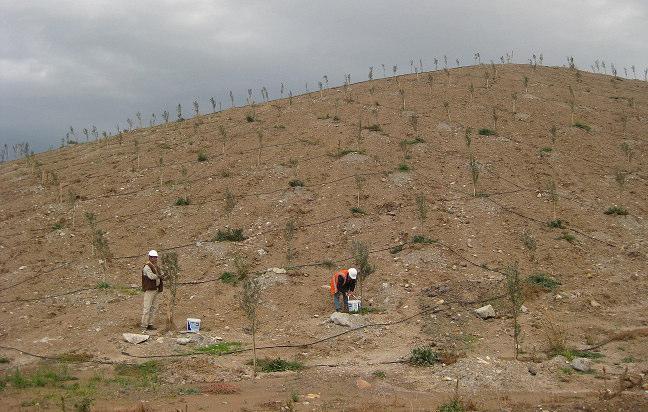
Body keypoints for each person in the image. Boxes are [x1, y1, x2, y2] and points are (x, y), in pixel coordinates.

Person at [141, 250, 164, 330]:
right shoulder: (147, 267)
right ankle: (144, 325)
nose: (154, 258)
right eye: (153, 257)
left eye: (155, 257)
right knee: (147, 308)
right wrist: (159, 276)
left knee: (154, 307)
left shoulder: (156, 267)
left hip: (156, 289)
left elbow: (159, 275)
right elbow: (151, 276)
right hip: (149, 289)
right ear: (150, 257)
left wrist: (161, 275)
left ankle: (150, 324)